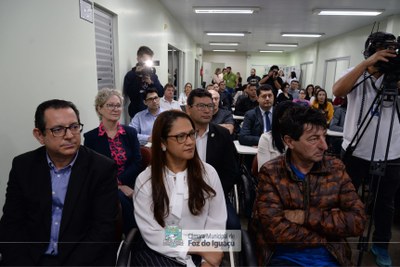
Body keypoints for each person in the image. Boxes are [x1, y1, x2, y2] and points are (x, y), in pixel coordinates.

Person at [0, 99, 118, 266]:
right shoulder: (23, 166)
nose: (69, 135)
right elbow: (11, 223)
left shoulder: (102, 168)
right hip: (32, 258)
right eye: (58, 130)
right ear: (39, 135)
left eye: (74, 127)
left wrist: (170, 246)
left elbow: (102, 230)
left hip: (81, 259)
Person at [250, 105, 366, 266]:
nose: (324, 146)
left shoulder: (335, 169)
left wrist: (303, 216)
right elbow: (275, 231)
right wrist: (327, 234)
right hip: (285, 259)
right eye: (313, 139)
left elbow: (357, 221)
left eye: (324, 137)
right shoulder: (272, 173)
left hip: (332, 258)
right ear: (289, 141)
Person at [332, 31, 400, 267]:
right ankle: (338, 239)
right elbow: (338, 91)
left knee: (385, 205)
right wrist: (367, 64)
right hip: (354, 150)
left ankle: (380, 245)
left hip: (390, 153)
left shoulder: (395, 77)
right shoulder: (355, 74)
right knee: (343, 200)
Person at [133, 110, 227, 266]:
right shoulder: (146, 180)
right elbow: (153, 233)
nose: (190, 142)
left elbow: (216, 222)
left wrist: (206, 260)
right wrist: (197, 247)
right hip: (159, 251)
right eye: (180, 137)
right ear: (162, 143)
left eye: (191, 134)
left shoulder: (208, 173)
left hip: (204, 250)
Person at [83, 88, 142, 236]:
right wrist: (118, 186)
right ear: (99, 109)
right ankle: (134, 239)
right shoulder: (91, 137)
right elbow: (92, 169)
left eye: (118, 105)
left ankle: (135, 238)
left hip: (131, 182)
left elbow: (137, 161)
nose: (115, 109)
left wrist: (122, 183)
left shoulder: (130, 133)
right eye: (110, 105)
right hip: (105, 186)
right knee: (120, 198)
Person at [186, 89, 240, 229]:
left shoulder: (222, 135)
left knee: (233, 227)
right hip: (183, 193)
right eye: (201, 106)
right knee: (175, 227)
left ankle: (220, 250)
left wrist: (212, 193)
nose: (207, 110)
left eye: (210, 106)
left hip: (215, 193)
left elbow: (231, 171)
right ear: (188, 109)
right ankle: (184, 249)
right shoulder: (181, 134)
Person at [123, 46, 163, 118]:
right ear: (138, 59)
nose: (145, 64)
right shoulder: (131, 75)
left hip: (153, 112)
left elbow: (161, 93)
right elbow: (131, 95)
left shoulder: (152, 75)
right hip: (136, 113)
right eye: (145, 60)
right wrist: (138, 77)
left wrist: (151, 83)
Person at [257, 101, 297, 171]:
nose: (294, 122)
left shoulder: (299, 138)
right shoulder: (266, 139)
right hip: (274, 179)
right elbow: (263, 170)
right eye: (291, 119)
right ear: (279, 120)